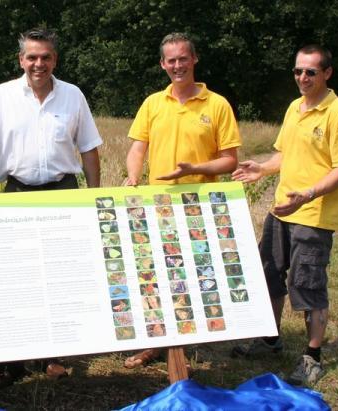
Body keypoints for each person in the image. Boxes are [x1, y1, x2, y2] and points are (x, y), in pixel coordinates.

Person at [0, 28, 102, 381]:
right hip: (16, 195)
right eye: (32, 57)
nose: (39, 64)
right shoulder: (1, 96)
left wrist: (95, 196)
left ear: (55, 59)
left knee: (59, 276)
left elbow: (88, 148)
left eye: (46, 57)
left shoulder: (73, 96)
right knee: (15, 278)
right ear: (21, 60)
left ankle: (52, 356)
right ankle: (13, 362)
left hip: (63, 192)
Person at [231, 45, 338, 386]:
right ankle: (270, 339)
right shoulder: (294, 107)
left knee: (307, 283)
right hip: (281, 209)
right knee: (269, 273)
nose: (303, 77)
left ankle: (312, 356)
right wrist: (262, 168)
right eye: (298, 71)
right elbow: (284, 155)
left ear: (327, 73)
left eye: (310, 72)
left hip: (313, 214)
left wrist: (309, 194)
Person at [123, 32, 241, 369]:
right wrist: (133, 176)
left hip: (198, 206)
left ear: (194, 59)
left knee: (191, 275)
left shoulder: (217, 104)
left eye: (183, 58)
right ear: (163, 64)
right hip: (157, 204)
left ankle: (184, 345)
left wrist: (196, 169)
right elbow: (137, 148)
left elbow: (230, 160)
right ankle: (155, 342)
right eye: (171, 60)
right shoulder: (152, 103)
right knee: (154, 274)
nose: (178, 65)